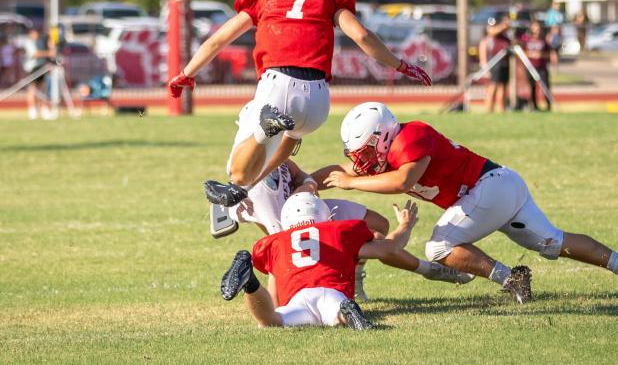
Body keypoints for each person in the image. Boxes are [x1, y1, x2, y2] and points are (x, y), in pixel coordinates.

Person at [167, 0, 431, 209]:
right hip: (317, 102)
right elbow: (362, 36)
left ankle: (254, 150)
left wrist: (186, 72)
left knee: (237, 168)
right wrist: (401, 65)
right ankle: (242, 191)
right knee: (270, 159)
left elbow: (217, 41)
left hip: (277, 85)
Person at [315, 102, 618, 303]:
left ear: (382, 137)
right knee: (553, 243)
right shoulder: (388, 151)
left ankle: (511, 279)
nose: (362, 161)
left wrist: (351, 183)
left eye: (366, 151)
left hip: (489, 187)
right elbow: (339, 171)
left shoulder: (412, 135)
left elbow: (402, 181)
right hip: (498, 185)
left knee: (438, 246)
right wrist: (308, 182)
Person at [224, 157, 474, 300]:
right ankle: (430, 270)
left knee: (378, 225)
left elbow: (299, 173)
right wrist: (406, 225)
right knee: (367, 244)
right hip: (293, 224)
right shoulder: (252, 181)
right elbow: (388, 247)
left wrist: (308, 183)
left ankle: (353, 274)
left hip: (306, 212)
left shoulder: (274, 153)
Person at [219, 192, 416, 329]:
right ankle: (345, 311)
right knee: (337, 316)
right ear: (325, 216)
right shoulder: (338, 231)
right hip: (333, 293)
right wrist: (405, 225)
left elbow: (274, 296)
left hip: (298, 299)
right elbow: (389, 248)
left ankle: (250, 283)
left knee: (271, 321)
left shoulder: (278, 242)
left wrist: (273, 313)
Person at [520, 21, 557, 111]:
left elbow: (550, 53)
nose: (537, 29)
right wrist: (531, 54)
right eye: (534, 27)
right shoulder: (526, 39)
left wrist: (542, 55)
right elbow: (521, 52)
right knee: (532, 86)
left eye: (538, 27)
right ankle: (534, 106)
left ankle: (548, 105)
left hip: (542, 66)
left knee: (545, 85)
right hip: (531, 67)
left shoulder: (544, 40)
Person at [22, 27, 56, 120]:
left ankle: (44, 109)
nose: (36, 35)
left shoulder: (40, 42)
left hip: (41, 67)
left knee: (42, 88)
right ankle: (32, 110)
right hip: (32, 68)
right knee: (32, 89)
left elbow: (49, 49)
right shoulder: (28, 42)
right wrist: (49, 53)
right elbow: (35, 53)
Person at [478, 17, 511, 113]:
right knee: (493, 87)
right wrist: (504, 24)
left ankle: (502, 108)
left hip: (504, 63)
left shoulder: (504, 36)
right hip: (495, 63)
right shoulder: (490, 36)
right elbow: (492, 31)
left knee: (503, 87)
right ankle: (489, 109)